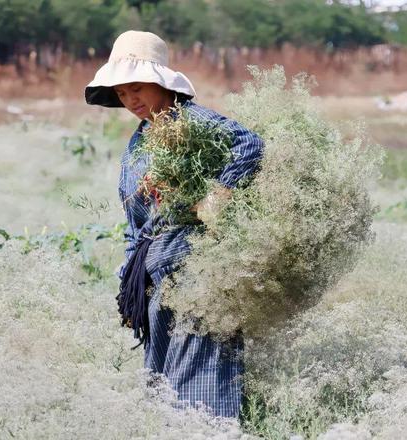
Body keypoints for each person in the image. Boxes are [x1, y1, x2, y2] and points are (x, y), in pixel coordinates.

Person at [85, 31, 263, 418]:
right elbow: (136, 225)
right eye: (121, 94)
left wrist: (219, 192)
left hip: (197, 269)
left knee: (201, 376)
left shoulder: (191, 121)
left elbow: (248, 143)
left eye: (135, 89)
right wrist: (130, 284)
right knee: (163, 385)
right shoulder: (138, 143)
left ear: (161, 83)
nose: (130, 100)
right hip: (155, 278)